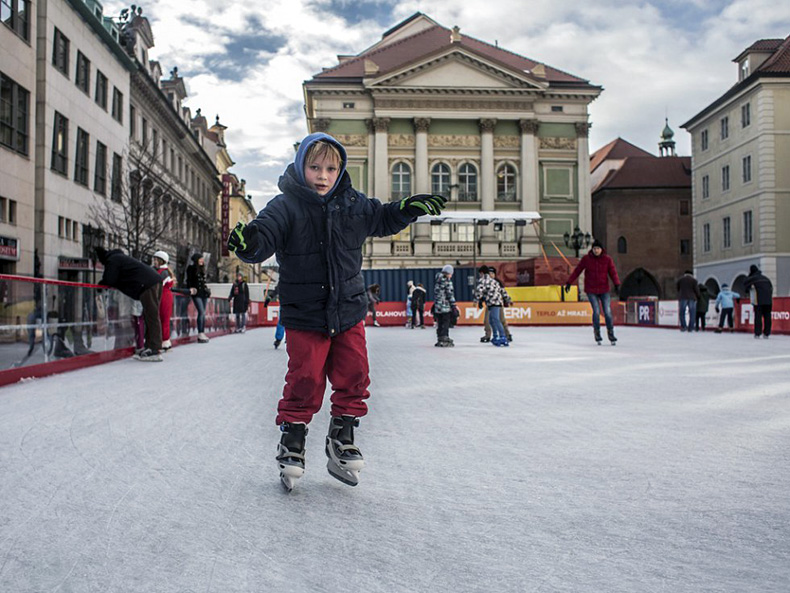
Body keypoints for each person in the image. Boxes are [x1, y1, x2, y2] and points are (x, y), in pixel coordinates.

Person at [227, 132, 446, 490]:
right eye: (315, 167)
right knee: (306, 378)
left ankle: (341, 435)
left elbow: (382, 217)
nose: (323, 175)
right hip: (305, 314)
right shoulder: (285, 207)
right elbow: (263, 235)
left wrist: (406, 210)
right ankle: (293, 439)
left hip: (348, 309)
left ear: (341, 169)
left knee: (355, 373)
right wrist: (249, 244)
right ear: (302, 167)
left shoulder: (353, 203)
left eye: (331, 168)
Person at [95, 246, 163, 361]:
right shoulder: (120, 258)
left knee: (151, 316)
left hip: (147, 284)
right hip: (153, 281)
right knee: (149, 316)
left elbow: (110, 279)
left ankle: (155, 349)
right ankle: (149, 347)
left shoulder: (113, 260)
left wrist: (101, 284)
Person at [564, 239, 621, 345]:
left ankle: (611, 333)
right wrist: (569, 282)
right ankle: (597, 333)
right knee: (596, 311)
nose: (596, 251)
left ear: (601, 249)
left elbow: (613, 272)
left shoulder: (607, 259)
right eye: (594, 248)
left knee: (607, 312)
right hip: (591, 290)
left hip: (604, 289)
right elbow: (577, 270)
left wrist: (617, 284)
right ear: (592, 249)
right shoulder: (586, 259)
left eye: (598, 249)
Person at [153, 250, 194, 351]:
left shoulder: (163, 272)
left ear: (161, 261)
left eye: (156, 260)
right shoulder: (160, 271)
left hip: (164, 297)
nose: (154, 261)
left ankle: (165, 341)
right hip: (162, 296)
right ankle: (163, 340)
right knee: (161, 319)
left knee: (163, 319)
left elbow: (158, 285)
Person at [474, 265, 509, 347]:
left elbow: (479, 291)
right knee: (491, 320)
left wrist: (476, 299)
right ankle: (496, 336)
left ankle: (503, 336)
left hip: (494, 303)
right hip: (495, 302)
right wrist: (507, 299)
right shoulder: (494, 281)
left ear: (481, 273)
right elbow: (502, 290)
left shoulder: (483, 280)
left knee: (496, 320)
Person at [186, 253, 211, 343]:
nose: (202, 261)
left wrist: (207, 290)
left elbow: (203, 282)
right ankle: (200, 333)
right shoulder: (191, 268)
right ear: (196, 259)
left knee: (203, 313)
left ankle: (202, 333)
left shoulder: (201, 269)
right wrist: (190, 288)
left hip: (203, 294)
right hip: (196, 293)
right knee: (201, 312)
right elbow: (188, 280)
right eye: (201, 259)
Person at [743, 264, 773, 338]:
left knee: (758, 316)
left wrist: (749, 276)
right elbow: (771, 287)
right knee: (767, 316)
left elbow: (745, 282)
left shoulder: (754, 278)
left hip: (759, 300)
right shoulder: (766, 278)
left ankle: (757, 333)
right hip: (768, 300)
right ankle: (766, 333)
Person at [433, 264, 457, 347]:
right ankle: (444, 337)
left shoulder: (437, 281)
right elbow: (450, 294)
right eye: (451, 274)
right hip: (445, 306)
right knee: (446, 322)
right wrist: (453, 305)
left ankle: (439, 337)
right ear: (448, 273)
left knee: (440, 322)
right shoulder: (447, 281)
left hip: (438, 306)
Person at [489, 267, 513, 342]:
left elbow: (503, 292)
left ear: (495, 274)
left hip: (498, 303)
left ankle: (507, 334)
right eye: (489, 274)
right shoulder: (487, 282)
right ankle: (491, 335)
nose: (490, 275)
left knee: (501, 319)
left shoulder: (498, 282)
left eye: (492, 273)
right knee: (489, 321)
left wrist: (508, 300)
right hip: (489, 304)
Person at [264, 284, 285, 349]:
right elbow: (278, 289)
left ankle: (291, 338)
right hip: (285, 304)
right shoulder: (286, 278)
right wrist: (269, 297)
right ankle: (278, 339)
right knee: (282, 321)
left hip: (294, 303)